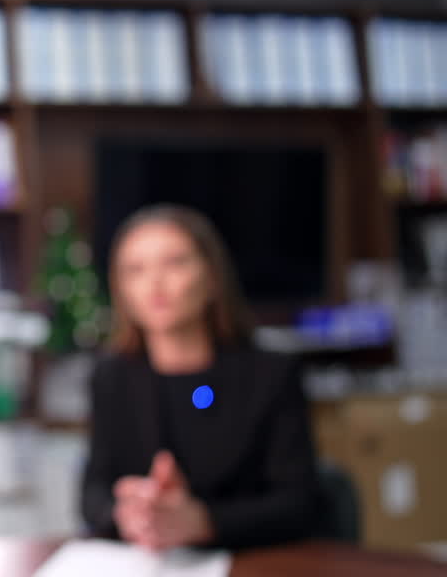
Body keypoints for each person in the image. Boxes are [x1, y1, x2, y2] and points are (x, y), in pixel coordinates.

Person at [81, 204, 318, 551]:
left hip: (252, 560)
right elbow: (93, 493)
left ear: (211, 277)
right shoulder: (112, 377)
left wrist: (202, 521)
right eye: (135, 269)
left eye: (175, 263)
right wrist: (129, 512)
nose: (155, 283)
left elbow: (299, 505)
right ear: (120, 289)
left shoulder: (271, 374)